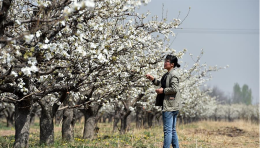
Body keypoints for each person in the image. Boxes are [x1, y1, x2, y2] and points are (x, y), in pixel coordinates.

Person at [146, 55, 181, 148]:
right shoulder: (167, 74)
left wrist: (163, 91)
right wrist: (153, 79)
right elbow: (162, 84)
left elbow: (174, 89)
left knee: (168, 131)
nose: (165, 63)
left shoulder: (173, 75)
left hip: (169, 106)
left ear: (172, 64)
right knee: (172, 130)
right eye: (165, 61)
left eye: (167, 61)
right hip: (171, 105)